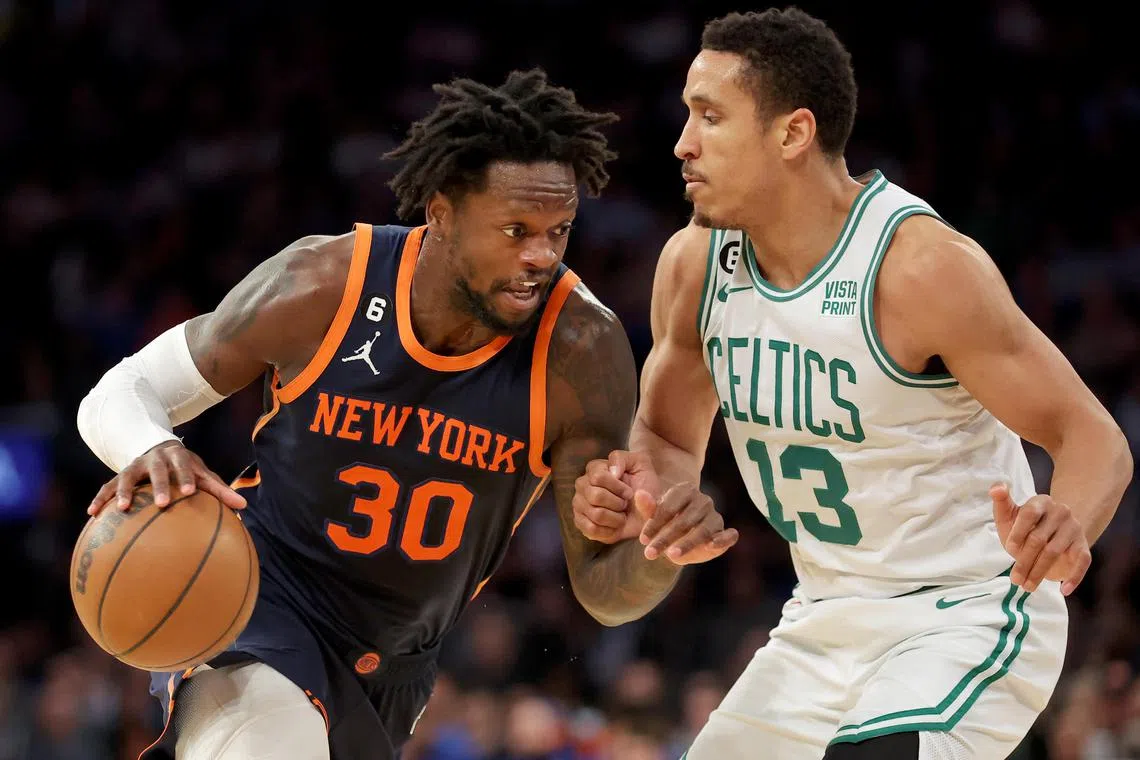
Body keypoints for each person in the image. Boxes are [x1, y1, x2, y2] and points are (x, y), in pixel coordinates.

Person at [76, 69, 734, 760]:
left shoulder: (581, 351)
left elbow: (605, 592)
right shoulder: (325, 284)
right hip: (255, 599)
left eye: (558, 230)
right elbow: (119, 394)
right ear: (442, 213)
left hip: (394, 668)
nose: (539, 256)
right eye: (514, 230)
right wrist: (149, 446)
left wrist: (656, 551)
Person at [573, 8, 1133, 760]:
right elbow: (668, 435)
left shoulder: (920, 268)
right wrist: (652, 494)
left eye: (711, 117)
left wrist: (1069, 519)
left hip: (965, 612)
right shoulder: (695, 265)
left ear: (793, 134)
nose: (683, 142)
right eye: (687, 115)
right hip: (822, 619)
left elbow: (1093, 436)